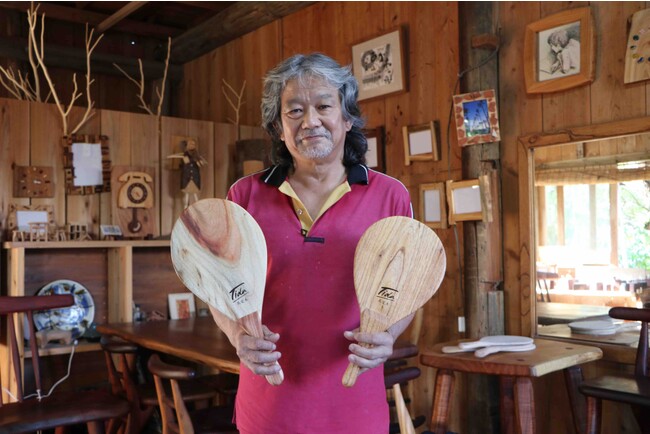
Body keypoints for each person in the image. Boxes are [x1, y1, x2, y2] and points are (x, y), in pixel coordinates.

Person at [210, 53, 414, 434]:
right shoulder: (244, 196)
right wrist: (237, 336)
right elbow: (219, 287)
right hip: (268, 409)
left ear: (347, 118)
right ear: (278, 126)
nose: (310, 121)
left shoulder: (390, 196)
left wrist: (389, 335)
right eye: (295, 110)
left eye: (323, 106)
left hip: (356, 407)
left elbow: (407, 289)